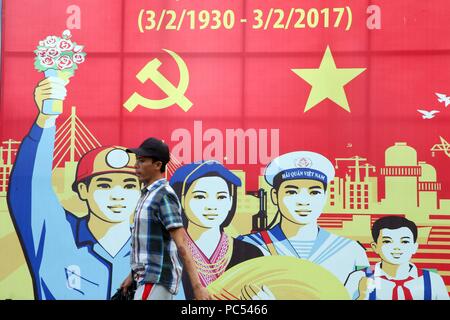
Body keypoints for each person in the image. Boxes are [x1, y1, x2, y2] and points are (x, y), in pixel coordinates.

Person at [8, 76, 141, 299]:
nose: (117, 195)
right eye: (104, 185)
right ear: (82, 190)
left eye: (129, 186)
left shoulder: (153, 249)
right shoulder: (55, 233)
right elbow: (29, 188)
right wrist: (46, 118)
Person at [237, 151, 369, 284]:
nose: (303, 201)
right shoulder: (248, 246)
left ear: (325, 197)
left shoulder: (350, 251)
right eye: (292, 192)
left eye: (314, 192)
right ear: (274, 196)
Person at [121, 138, 211, 300]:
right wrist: (132, 275)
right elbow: (150, 247)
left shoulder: (163, 195)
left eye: (142, 161)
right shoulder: (148, 194)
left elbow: (181, 245)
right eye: (137, 161)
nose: (136, 165)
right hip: (147, 279)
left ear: (157, 165)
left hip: (156, 279)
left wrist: (197, 287)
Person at [169, 160, 263, 299]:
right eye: (200, 196)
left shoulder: (251, 254)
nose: (212, 206)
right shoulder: (169, 253)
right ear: (182, 200)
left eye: (221, 197)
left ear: (231, 201)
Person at [345, 216, 449, 300]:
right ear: (375, 247)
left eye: (404, 242)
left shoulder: (432, 280)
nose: (396, 247)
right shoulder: (358, 277)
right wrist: (363, 296)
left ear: (414, 247)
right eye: (387, 241)